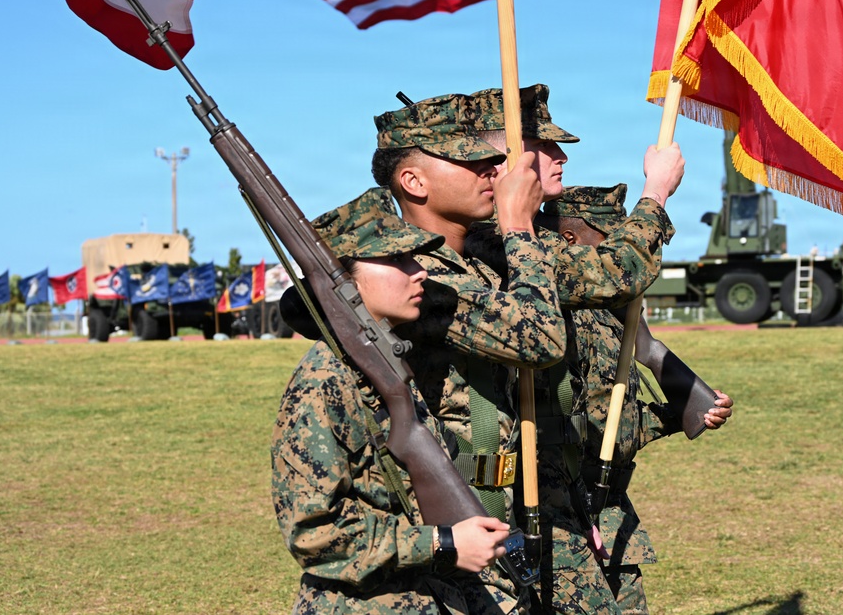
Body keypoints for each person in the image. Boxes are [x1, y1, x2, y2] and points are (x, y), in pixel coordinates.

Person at [462, 84, 686, 614]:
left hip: (551, 488)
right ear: (505, 158)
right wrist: (655, 193)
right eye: (544, 146)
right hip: (495, 490)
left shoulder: (518, 241)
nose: (561, 156)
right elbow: (618, 271)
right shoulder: (496, 245)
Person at [271, 187, 513, 615]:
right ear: (343, 283)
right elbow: (313, 532)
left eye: (413, 258)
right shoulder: (325, 379)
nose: (419, 271)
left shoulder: (386, 360)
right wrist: (441, 543)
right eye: (397, 260)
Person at [372, 92, 568, 614]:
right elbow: (539, 340)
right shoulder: (420, 281)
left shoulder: (477, 267)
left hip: (500, 504)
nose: (492, 169)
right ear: (413, 182)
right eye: (470, 160)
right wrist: (518, 225)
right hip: (450, 523)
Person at [540, 184, 734, 615]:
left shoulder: (613, 314)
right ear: (569, 238)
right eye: (612, 239)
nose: (623, 253)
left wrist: (679, 408)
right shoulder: (548, 311)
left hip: (610, 509)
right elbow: (576, 420)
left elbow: (616, 417)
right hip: (563, 512)